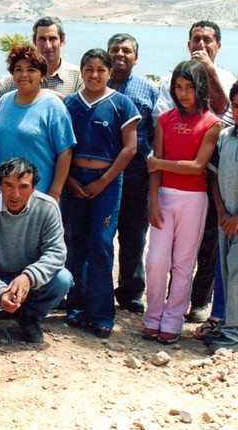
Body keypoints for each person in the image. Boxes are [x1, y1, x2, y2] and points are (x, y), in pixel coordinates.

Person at [153, 21, 236, 323]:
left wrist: (211, 75)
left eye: (208, 40)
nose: (201, 45)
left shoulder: (227, 79)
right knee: (174, 246)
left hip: (217, 171)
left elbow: (228, 120)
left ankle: (200, 301)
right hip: (178, 172)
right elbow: (163, 118)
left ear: (219, 45)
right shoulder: (171, 80)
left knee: (210, 243)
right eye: (195, 39)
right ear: (188, 44)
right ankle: (171, 299)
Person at [143, 60, 222, 345]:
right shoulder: (164, 119)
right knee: (156, 261)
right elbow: (155, 173)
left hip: (194, 200)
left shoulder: (212, 124)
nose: (183, 93)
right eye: (178, 87)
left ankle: (172, 321)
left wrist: (158, 163)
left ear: (200, 87)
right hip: (164, 198)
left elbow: (198, 166)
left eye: (189, 87)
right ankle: (152, 317)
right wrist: (152, 202)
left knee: (183, 264)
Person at [63, 49, 140, 338]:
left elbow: (130, 148)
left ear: (109, 72)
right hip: (75, 180)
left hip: (107, 182)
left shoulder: (122, 103)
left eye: (100, 70)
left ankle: (101, 313)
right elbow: (62, 146)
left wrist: (104, 180)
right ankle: (76, 307)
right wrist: (70, 179)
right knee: (76, 242)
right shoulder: (70, 103)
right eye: (88, 69)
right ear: (81, 71)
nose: (94, 75)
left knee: (101, 243)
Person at [0, 158, 73, 343]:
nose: (15, 194)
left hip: (30, 276)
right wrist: (0, 292)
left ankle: (30, 318)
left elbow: (56, 252)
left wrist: (28, 277)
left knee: (63, 279)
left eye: (23, 186)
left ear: (33, 188)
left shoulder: (48, 208)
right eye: (8, 185)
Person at [107, 34, 159, 314]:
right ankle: (98, 291)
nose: (120, 54)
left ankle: (131, 292)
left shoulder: (148, 90)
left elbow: (155, 133)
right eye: (115, 49)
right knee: (100, 235)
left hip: (136, 174)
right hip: (101, 172)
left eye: (126, 50)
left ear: (136, 58)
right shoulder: (97, 84)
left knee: (134, 237)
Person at [0, 43, 75, 202]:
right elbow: (1, 145)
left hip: (39, 193)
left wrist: (55, 193)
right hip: (4, 192)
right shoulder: (4, 101)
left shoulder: (53, 106)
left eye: (31, 70)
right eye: (18, 69)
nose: (24, 74)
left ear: (42, 76)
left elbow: (65, 151)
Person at [205, 81, 238, 351]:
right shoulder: (225, 137)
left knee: (237, 273)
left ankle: (232, 334)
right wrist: (221, 211)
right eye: (236, 106)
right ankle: (227, 325)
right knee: (227, 273)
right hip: (225, 221)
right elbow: (213, 177)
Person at [0, 16, 83, 108]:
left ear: (62, 40)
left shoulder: (77, 77)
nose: (48, 46)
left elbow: (87, 109)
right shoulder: (19, 79)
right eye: (42, 39)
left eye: (52, 39)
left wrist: (58, 98)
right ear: (34, 40)